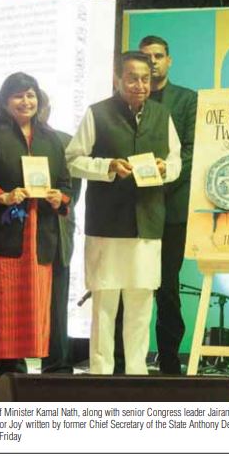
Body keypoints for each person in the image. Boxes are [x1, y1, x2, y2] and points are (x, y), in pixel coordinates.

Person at [0, 72, 72, 392]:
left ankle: (15, 374)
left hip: (36, 235)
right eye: (18, 95)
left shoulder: (50, 139)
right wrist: (0, 195)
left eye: (31, 95)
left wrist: (59, 198)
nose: (26, 101)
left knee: (24, 310)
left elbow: (65, 184)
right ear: (5, 100)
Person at [66, 51, 181, 375]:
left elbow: (176, 161)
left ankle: (136, 373)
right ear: (117, 79)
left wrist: (165, 168)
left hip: (147, 222)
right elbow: (72, 159)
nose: (139, 85)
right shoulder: (98, 113)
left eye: (145, 79)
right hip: (106, 223)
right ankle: (101, 373)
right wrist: (107, 166)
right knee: (104, 302)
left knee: (141, 303)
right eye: (132, 78)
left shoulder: (162, 115)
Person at [113, 35, 196, 375]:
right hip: (129, 205)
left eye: (158, 56)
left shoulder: (187, 100)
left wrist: (161, 177)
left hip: (171, 207)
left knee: (167, 286)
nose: (153, 63)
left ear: (169, 60)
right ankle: (122, 359)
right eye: (146, 57)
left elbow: (191, 151)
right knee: (126, 282)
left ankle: (169, 359)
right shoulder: (122, 103)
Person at [38, 91, 82, 374]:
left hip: (56, 229)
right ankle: (13, 365)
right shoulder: (4, 141)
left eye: (39, 104)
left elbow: (72, 194)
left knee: (56, 301)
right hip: (17, 231)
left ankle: (57, 364)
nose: (32, 109)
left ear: (48, 109)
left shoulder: (65, 142)